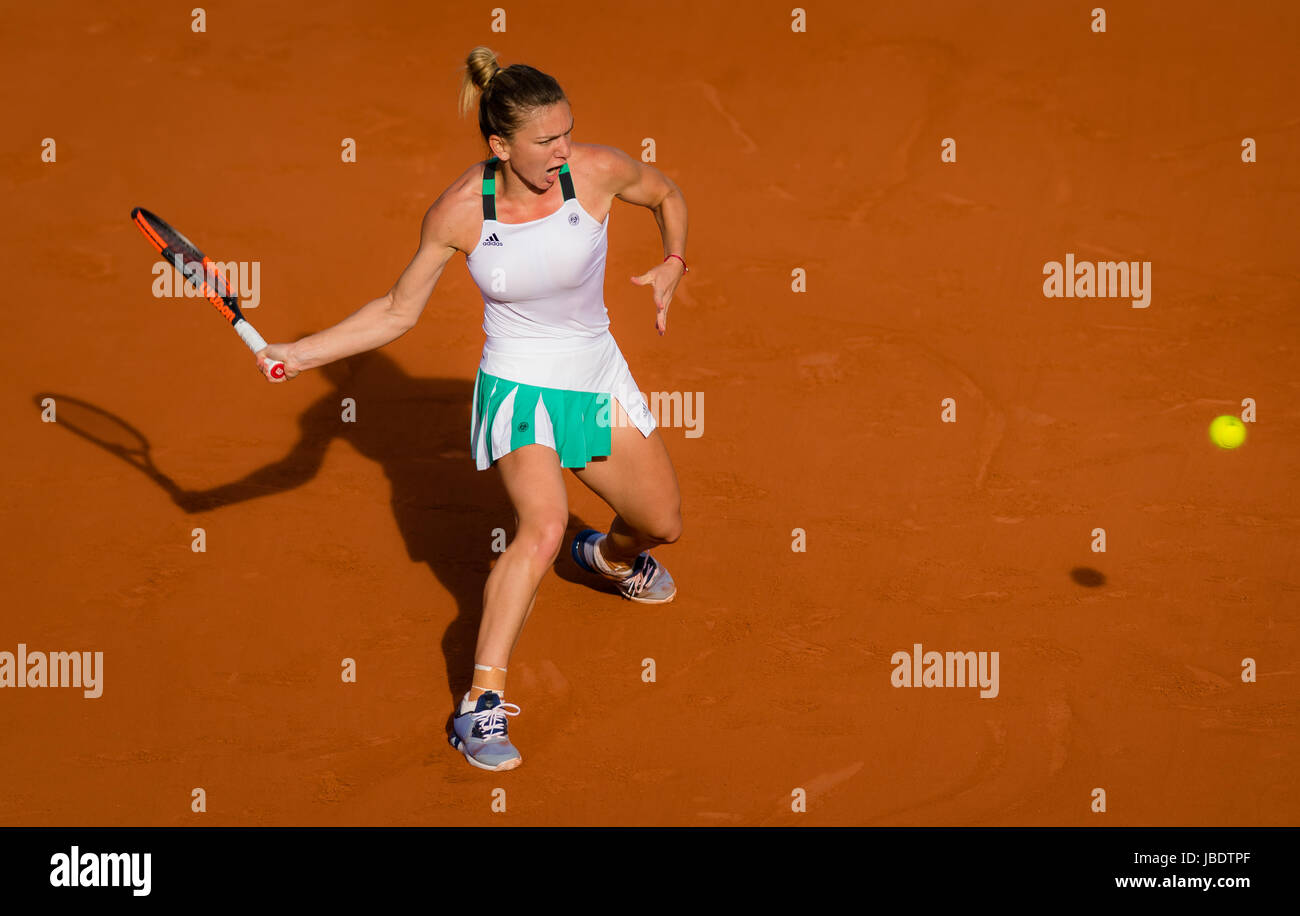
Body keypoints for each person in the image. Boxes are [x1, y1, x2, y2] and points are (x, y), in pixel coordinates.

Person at [255, 46, 689, 772]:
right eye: (546, 141)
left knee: (661, 526)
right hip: (517, 384)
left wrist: (675, 262)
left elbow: (667, 193)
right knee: (542, 527)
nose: (563, 151)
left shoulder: (597, 172)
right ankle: (480, 705)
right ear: (500, 145)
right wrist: (298, 356)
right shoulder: (460, 213)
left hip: (594, 376)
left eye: (566, 133)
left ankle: (609, 559)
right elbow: (397, 311)